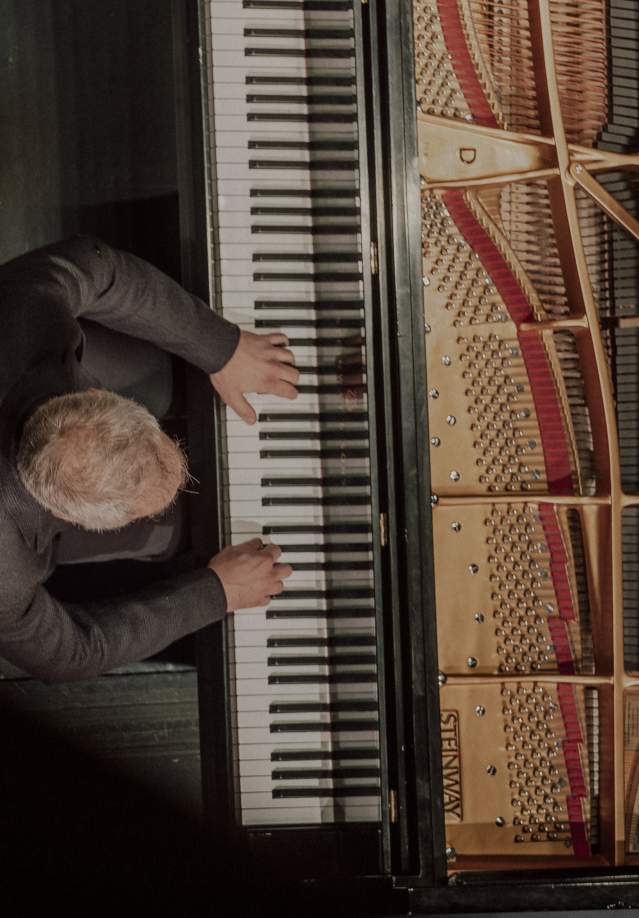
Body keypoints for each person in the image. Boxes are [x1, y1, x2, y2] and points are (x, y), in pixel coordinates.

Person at [0, 235, 299, 682]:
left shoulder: (22, 310)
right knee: (166, 536)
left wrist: (220, 347)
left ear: (93, 395)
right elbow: (72, 655)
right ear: (70, 515)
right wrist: (217, 593)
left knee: (156, 378)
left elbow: (102, 268)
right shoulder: (5, 582)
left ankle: (162, 392)